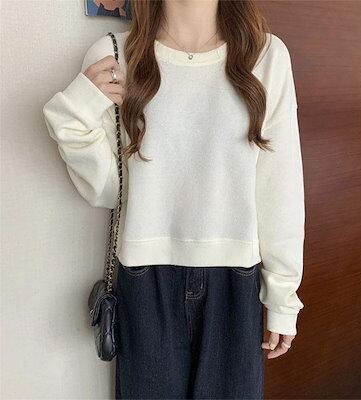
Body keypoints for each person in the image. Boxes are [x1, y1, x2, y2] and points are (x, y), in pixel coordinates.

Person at [42, 0, 305, 398]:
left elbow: (279, 185)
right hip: (144, 280)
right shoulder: (114, 54)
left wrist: (283, 296)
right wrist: (72, 117)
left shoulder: (266, 56)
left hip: (236, 281)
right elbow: (110, 190)